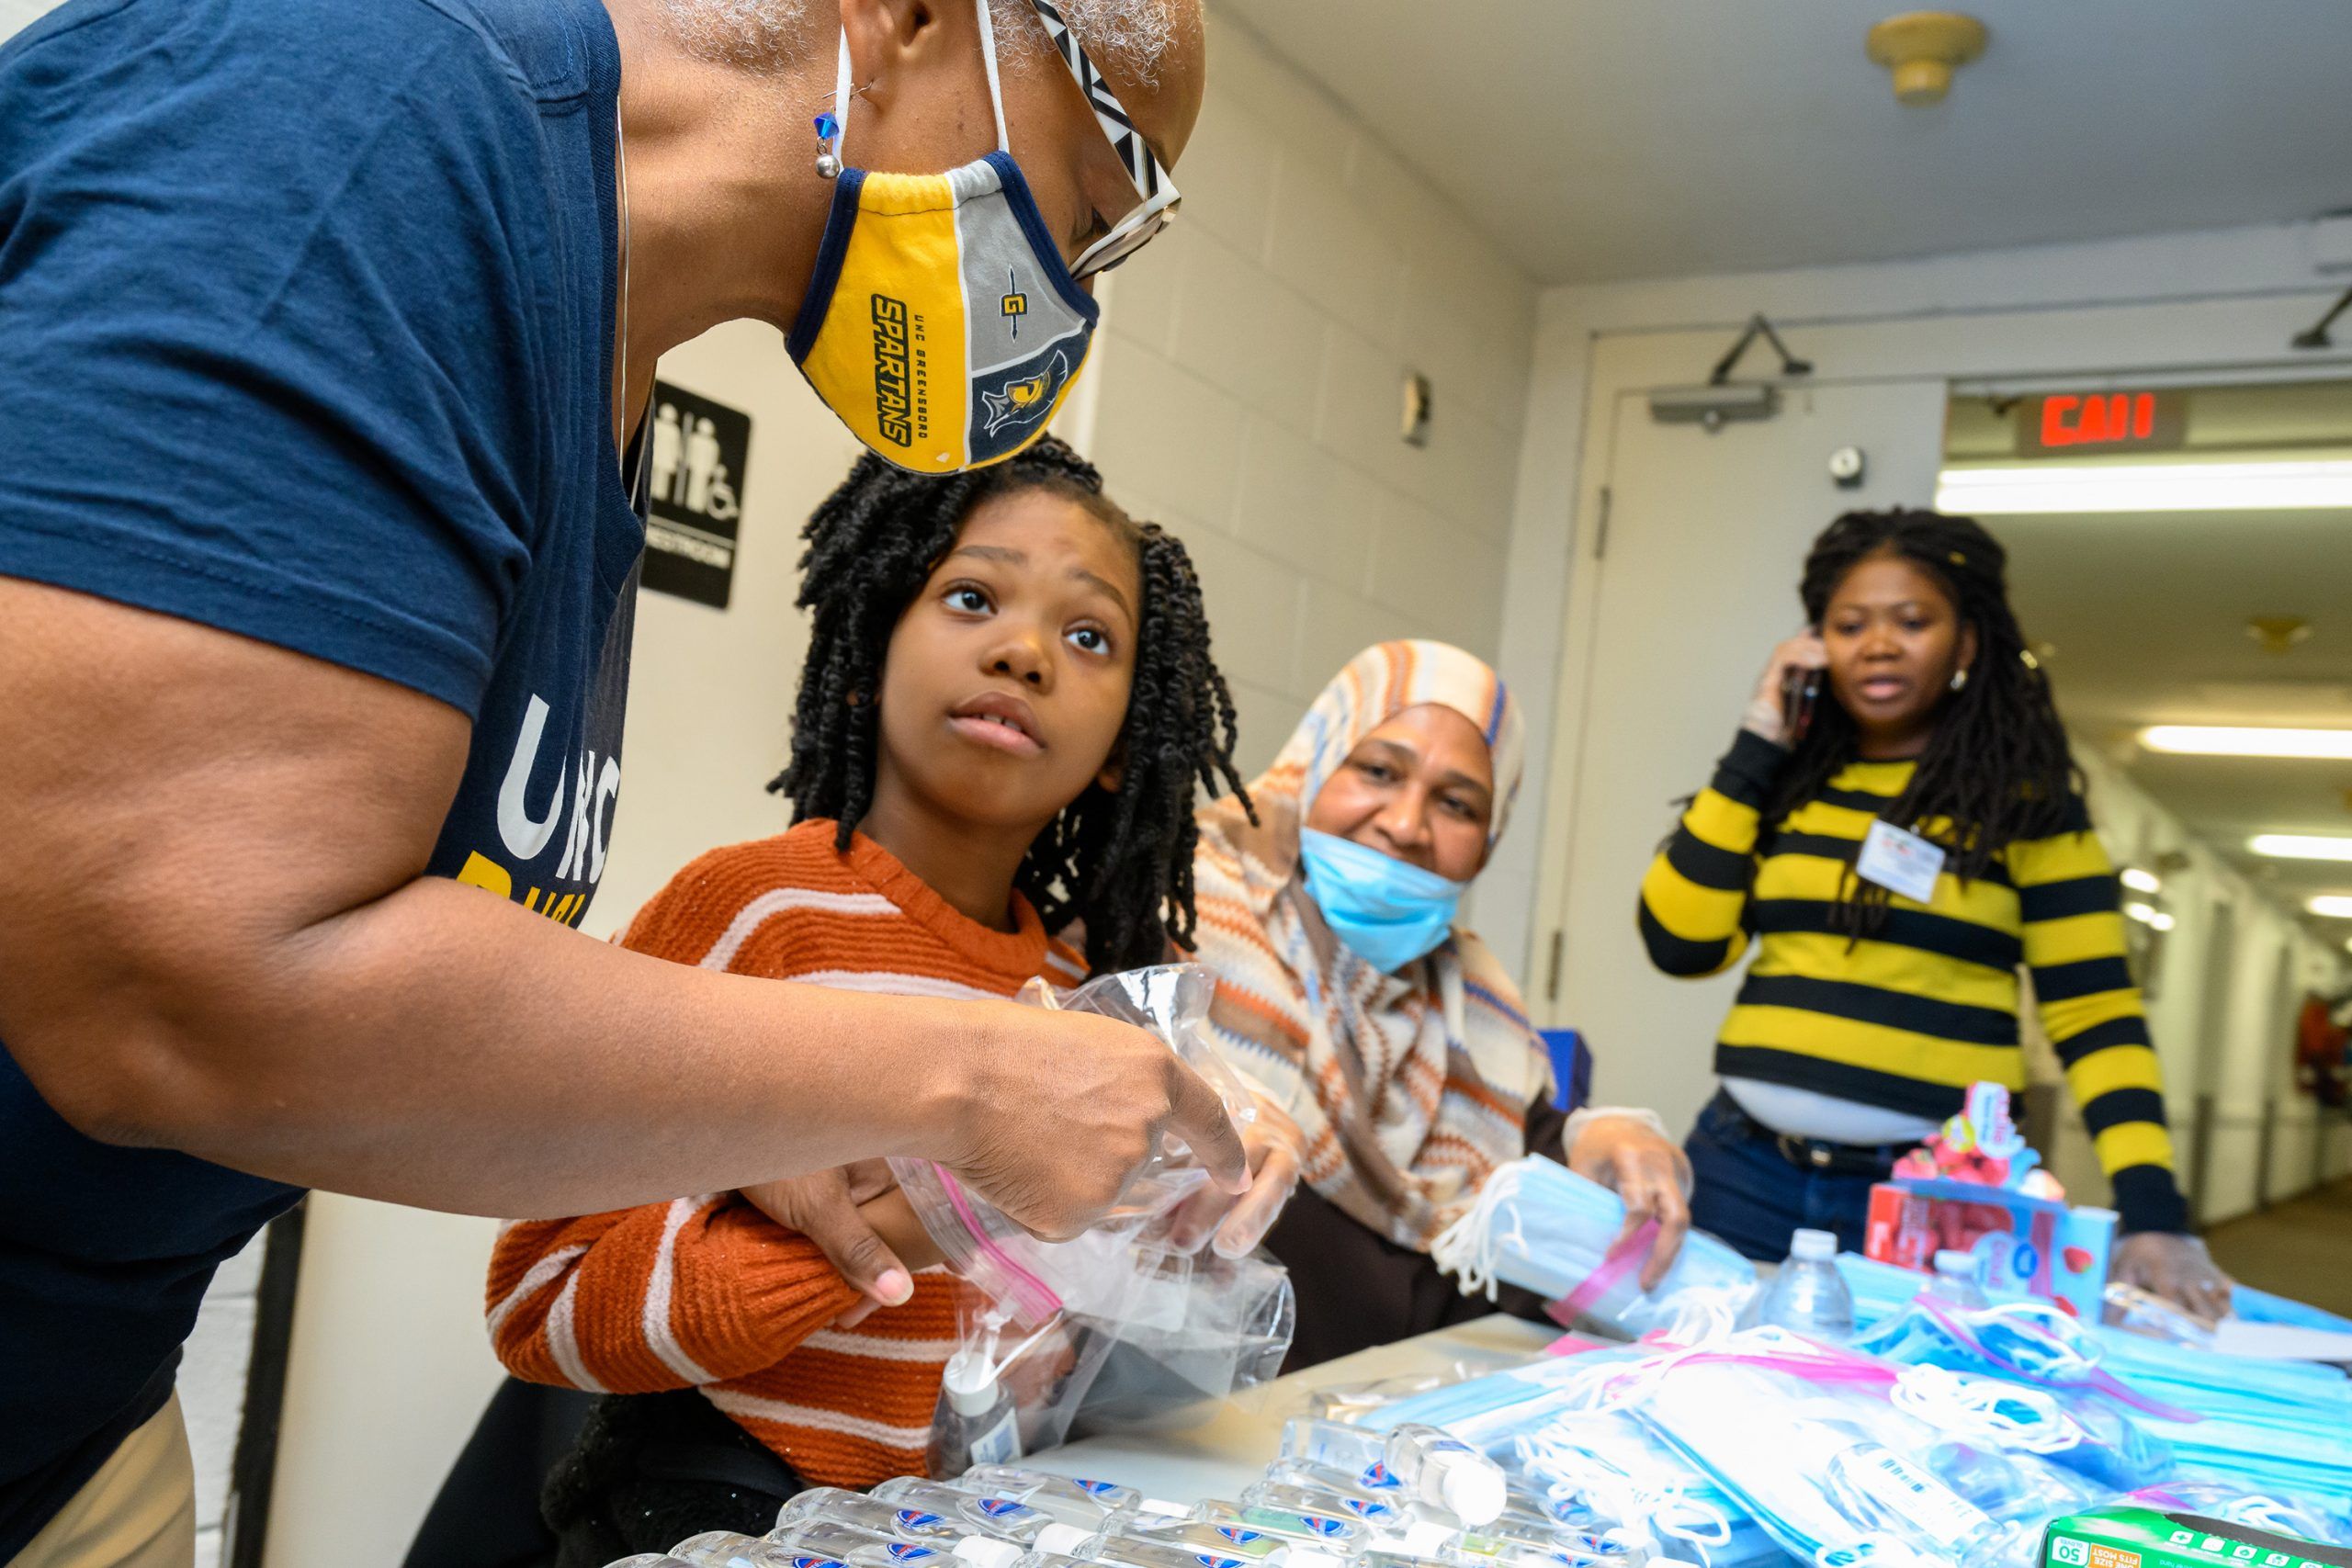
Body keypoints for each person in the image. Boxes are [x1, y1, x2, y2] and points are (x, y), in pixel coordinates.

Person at [0, 0, 1238, 1562]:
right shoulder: (374, 106)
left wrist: (735, 1115)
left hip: (77, 1406)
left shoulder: (606, 375)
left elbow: (371, 1020)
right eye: (1096, 200)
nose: (1060, 294)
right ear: (917, 20)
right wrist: (962, 1079)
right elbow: (170, 982)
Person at [482, 440, 1246, 1562]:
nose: (1025, 651)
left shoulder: (1083, 1004)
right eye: (972, 596)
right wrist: (929, 1217)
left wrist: (1205, 1205)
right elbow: (541, 1303)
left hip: (952, 1529)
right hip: (714, 1515)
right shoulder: (754, 911)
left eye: (1089, 636)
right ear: (866, 649)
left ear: (1128, 747)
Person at [1639, 507, 2228, 1317]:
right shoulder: (1788, 786)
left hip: (1939, 1197)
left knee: (1907, 1414)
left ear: (1966, 641)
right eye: (1850, 624)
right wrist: (1755, 745)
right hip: (1746, 1170)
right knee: (1698, 1392)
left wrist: (2154, 1208)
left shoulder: (2028, 808)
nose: (1878, 643)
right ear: (1817, 644)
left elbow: (2096, 1013)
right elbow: (1680, 942)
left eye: (1912, 621)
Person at [1180, 641, 1696, 1369]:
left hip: (1395, 1434)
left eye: (1456, 803)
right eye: (1378, 771)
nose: (1406, 824)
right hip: (1182, 1435)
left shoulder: (1475, 1003)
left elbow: (1531, 1157)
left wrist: (1603, 1139)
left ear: (1486, 844)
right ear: (1312, 766)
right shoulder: (1173, 912)